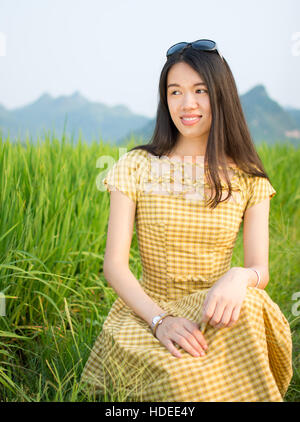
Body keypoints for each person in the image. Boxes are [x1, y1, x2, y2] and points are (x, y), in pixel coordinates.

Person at [80, 39, 293, 402]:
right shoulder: (136, 166)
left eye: (200, 90)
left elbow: (261, 269)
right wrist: (161, 321)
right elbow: (114, 266)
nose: (187, 103)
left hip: (216, 309)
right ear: (165, 99)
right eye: (174, 91)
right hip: (148, 313)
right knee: (181, 380)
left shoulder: (249, 177)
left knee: (253, 302)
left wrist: (240, 276)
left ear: (220, 96)